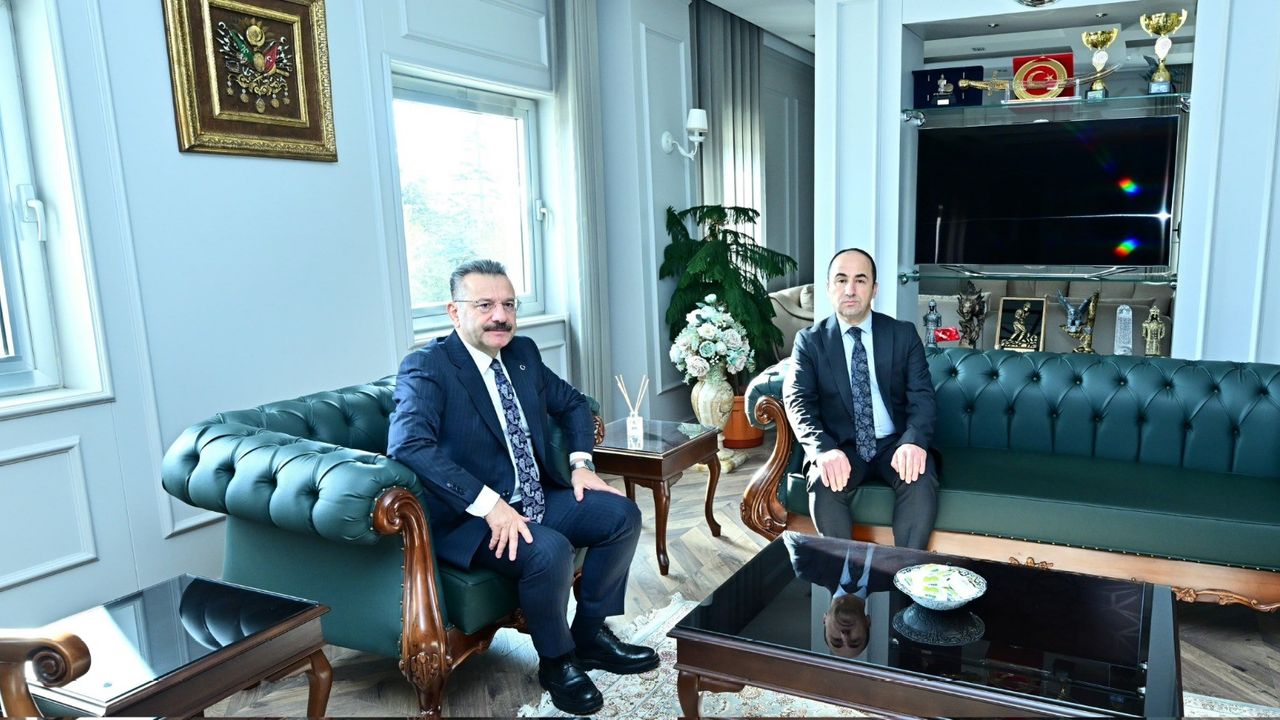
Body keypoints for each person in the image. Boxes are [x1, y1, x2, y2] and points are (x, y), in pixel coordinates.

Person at [387, 259, 656, 715]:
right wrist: (489, 504)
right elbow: (408, 444)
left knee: (621, 516)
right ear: (454, 311)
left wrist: (581, 464)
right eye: (485, 305)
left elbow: (573, 404)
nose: (500, 316)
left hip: (534, 496)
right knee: (548, 550)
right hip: (471, 518)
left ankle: (589, 637)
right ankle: (557, 662)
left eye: (509, 305)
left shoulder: (522, 353)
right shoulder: (427, 366)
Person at [782, 248, 939, 549]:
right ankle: (844, 574)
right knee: (824, 480)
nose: (850, 290)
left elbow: (922, 396)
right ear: (829, 288)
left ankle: (906, 568)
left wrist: (913, 441)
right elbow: (798, 402)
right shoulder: (809, 342)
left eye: (860, 280)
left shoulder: (903, 334)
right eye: (841, 280)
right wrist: (822, 450)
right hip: (841, 445)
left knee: (919, 476)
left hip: (894, 442)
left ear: (874, 289)